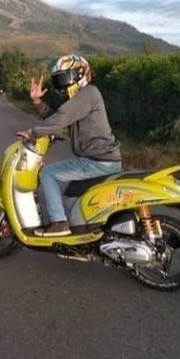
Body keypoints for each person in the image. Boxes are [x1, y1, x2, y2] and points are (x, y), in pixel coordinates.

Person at [20, 54, 121, 237]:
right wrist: (37, 102)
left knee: (48, 173)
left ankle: (59, 223)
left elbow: (61, 118)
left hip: (97, 160)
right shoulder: (81, 98)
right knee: (70, 197)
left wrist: (34, 133)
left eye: (65, 78)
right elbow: (58, 116)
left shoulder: (88, 93)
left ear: (81, 74)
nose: (63, 85)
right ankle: (87, 237)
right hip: (100, 159)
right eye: (59, 80)